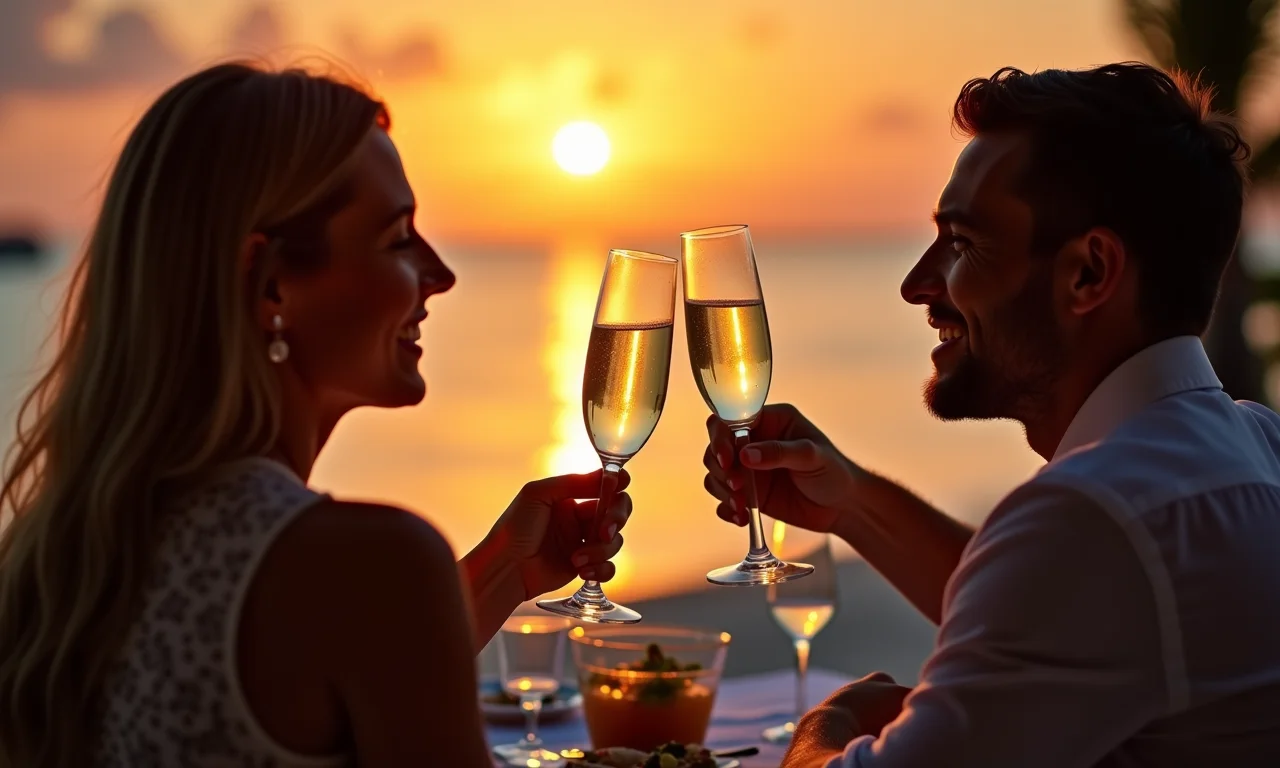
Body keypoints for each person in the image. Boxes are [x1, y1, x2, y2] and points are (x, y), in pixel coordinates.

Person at [0, 62, 631, 767]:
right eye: (397, 238)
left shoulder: (73, 557)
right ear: (272, 285)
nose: (440, 275)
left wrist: (501, 575)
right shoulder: (367, 561)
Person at [703, 62, 1280, 767]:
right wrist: (852, 500)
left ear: (1089, 274)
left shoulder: (1093, 517)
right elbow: (1058, 606)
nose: (917, 284)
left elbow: (1068, 568)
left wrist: (830, 725)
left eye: (964, 242)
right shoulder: (1255, 448)